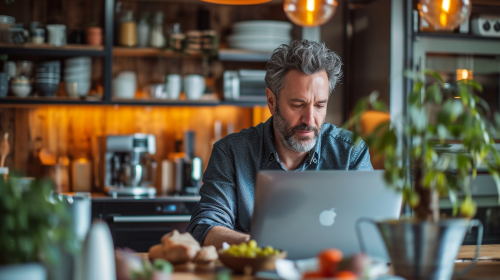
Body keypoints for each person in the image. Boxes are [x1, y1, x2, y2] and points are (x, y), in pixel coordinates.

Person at [187, 40, 373, 248]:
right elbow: (205, 225)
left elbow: (371, 229)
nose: (310, 119)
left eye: (320, 105)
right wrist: (262, 245)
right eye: (298, 105)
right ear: (271, 101)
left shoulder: (350, 153)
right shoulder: (231, 152)